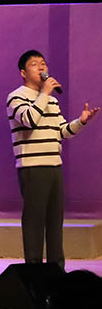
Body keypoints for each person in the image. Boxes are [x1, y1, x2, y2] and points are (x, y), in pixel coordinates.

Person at [7, 50, 96, 268]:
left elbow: (62, 131)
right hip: (32, 167)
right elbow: (29, 119)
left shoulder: (52, 101)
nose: (41, 68)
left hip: (54, 166)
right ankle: (34, 272)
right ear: (23, 72)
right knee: (35, 222)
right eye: (34, 64)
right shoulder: (16, 97)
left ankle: (57, 271)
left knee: (55, 222)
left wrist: (81, 121)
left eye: (43, 64)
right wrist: (45, 94)